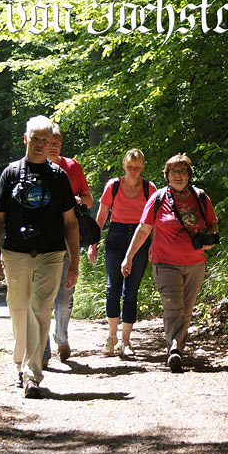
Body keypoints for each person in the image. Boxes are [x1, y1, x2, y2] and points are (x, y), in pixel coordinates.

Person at [0, 117, 79, 397]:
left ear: (51, 143)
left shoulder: (58, 176)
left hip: (52, 253)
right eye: (35, 139)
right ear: (26, 139)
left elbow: (71, 222)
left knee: (39, 310)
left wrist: (74, 261)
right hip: (15, 253)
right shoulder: (11, 173)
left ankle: (31, 374)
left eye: (45, 141)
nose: (40, 145)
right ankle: (21, 364)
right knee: (18, 310)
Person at [121, 154, 219, 371]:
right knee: (173, 307)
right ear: (167, 176)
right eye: (173, 172)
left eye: (182, 171)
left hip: (195, 263)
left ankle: (177, 349)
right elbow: (144, 229)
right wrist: (128, 256)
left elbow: (212, 223)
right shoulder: (158, 199)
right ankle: (174, 349)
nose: (178, 175)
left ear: (189, 175)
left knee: (186, 310)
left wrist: (209, 240)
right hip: (164, 262)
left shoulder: (201, 197)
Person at [88, 148, 154, 357]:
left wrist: (154, 244)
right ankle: (111, 336)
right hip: (116, 237)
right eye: (129, 167)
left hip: (140, 237)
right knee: (112, 288)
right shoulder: (113, 186)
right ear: (124, 166)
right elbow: (100, 217)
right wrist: (93, 243)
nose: (133, 171)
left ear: (142, 167)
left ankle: (126, 341)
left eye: (137, 167)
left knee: (131, 290)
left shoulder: (149, 188)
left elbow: (156, 219)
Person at [42, 124, 93, 365]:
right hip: (40, 243)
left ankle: (61, 337)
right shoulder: (32, 168)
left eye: (58, 142)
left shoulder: (72, 167)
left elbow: (89, 199)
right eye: (51, 141)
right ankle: (42, 350)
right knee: (41, 299)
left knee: (64, 298)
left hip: (67, 240)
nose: (54, 146)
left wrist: (74, 200)